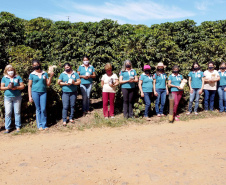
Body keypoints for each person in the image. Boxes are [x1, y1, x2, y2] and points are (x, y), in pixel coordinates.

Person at [28, 59, 54, 130]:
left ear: (39, 64)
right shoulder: (32, 74)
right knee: (38, 108)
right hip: (35, 92)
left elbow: (48, 84)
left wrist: (51, 77)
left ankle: (44, 125)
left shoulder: (44, 73)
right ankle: (39, 125)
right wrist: (30, 96)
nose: (35, 66)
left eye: (36, 65)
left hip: (43, 92)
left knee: (43, 108)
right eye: (34, 65)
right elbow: (29, 85)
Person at [1, 65, 25, 133]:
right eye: (9, 70)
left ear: (14, 70)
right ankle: (7, 128)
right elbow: (1, 88)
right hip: (7, 97)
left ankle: (18, 127)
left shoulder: (18, 77)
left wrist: (16, 87)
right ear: (6, 71)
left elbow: (22, 86)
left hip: (17, 97)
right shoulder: (4, 78)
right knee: (8, 112)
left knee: (17, 112)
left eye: (11, 70)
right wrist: (7, 87)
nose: (10, 72)